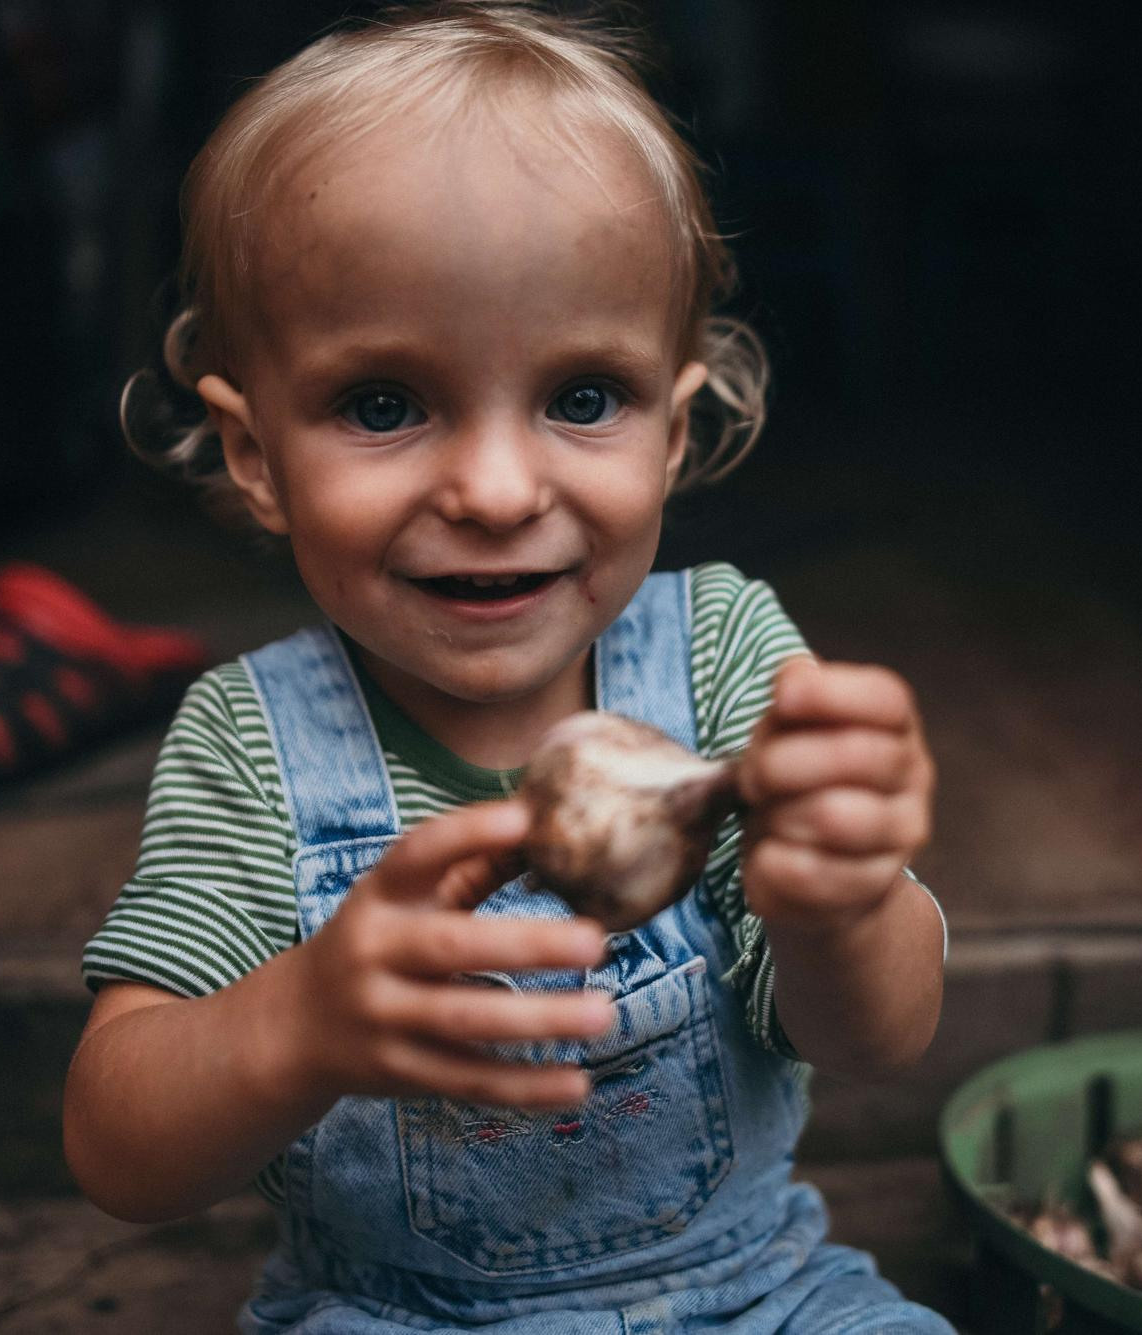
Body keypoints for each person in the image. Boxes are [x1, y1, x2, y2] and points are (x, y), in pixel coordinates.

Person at [63, 4, 948, 1330]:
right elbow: (116, 1151)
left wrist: (841, 903)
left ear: (671, 427)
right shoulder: (251, 742)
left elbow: (879, 1039)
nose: (491, 489)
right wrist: (293, 1024)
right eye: (384, 405)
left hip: (751, 1298)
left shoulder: (721, 661)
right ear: (255, 456)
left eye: (582, 397)